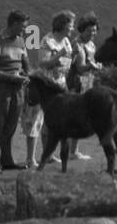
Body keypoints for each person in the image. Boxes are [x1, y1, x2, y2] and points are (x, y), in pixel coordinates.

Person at [20, 10, 77, 169]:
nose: (72, 28)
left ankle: (49, 154)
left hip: (60, 84)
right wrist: (59, 55)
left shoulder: (65, 41)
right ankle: (30, 159)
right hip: (44, 86)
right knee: (35, 120)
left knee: (54, 122)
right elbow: (43, 63)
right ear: (63, 25)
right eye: (71, 25)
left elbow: (67, 61)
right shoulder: (47, 41)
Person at [0, 9, 31, 173]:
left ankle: (7, 160)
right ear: (14, 24)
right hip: (0, 88)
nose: (24, 30)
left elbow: (25, 63)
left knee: (10, 125)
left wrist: (27, 74)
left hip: (18, 88)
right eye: (23, 27)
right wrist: (11, 78)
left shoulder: (21, 41)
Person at [65, 12, 100, 161]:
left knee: (82, 117)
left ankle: (74, 150)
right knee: (73, 117)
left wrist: (97, 66)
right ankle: (69, 151)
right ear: (82, 30)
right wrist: (91, 66)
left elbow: (93, 63)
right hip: (76, 84)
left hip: (88, 83)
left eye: (94, 30)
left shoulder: (91, 45)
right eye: (89, 31)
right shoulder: (76, 44)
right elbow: (79, 67)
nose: (92, 33)